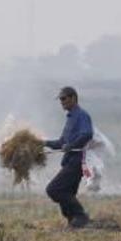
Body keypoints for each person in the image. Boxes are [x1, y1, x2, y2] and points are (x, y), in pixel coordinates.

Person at [44, 86, 93, 228]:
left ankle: (80, 216)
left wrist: (71, 146)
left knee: (53, 189)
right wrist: (44, 143)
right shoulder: (70, 118)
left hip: (77, 160)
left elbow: (87, 134)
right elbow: (61, 143)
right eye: (60, 99)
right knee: (67, 192)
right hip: (69, 160)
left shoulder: (81, 115)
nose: (62, 101)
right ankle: (73, 222)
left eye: (64, 98)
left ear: (73, 98)